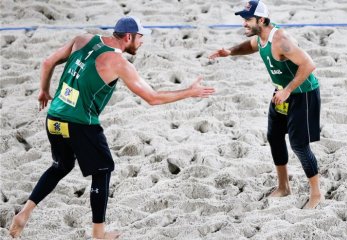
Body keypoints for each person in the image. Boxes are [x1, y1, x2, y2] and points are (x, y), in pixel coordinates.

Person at [9, 16, 215, 239]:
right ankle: (99, 233)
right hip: (81, 124)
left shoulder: (83, 39)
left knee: (61, 166)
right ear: (129, 37)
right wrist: (190, 92)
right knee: (103, 170)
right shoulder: (119, 63)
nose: (142, 41)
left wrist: (43, 91)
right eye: (140, 37)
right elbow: (153, 98)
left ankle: (24, 214)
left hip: (54, 117)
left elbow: (47, 62)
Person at [209, 0, 322, 209]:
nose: (244, 23)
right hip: (281, 92)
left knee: (299, 145)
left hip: (302, 93)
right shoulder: (260, 37)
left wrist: (288, 90)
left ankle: (316, 193)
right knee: (274, 136)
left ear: (261, 20)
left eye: (248, 19)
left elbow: (308, 64)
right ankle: (284, 186)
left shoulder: (280, 40)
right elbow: (251, 46)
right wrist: (230, 51)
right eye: (243, 19)